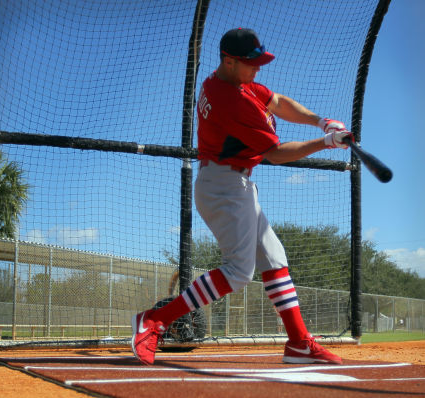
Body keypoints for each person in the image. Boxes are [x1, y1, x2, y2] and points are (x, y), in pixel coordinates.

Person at [131, 28, 352, 366]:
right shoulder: (230, 100)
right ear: (229, 61)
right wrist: (326, 143)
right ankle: (154, 320)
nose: (257, 69)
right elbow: (276, 154)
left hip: (234, 183)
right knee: (238, 272)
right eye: (251, 63)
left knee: (274, 257)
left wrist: (321, 122)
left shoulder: (231, 82)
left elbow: (276, 100)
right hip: (224, 184)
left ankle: (298, 343)